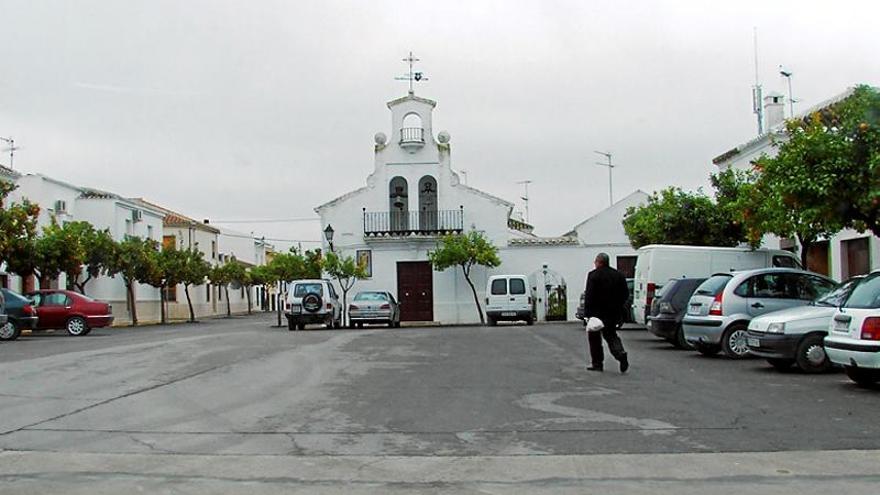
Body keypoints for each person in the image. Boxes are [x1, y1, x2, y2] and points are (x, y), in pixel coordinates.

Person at [583, 252, 630, 373]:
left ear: (599, 262)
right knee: (611, 335)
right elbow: (625, 294)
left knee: (594, 338)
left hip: (597, 313)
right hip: (613, 313)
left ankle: (597, 363)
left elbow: (589, 295)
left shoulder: (593, 275)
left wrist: (587, 314)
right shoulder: (618, 275)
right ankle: (620, 354)